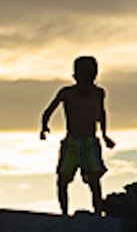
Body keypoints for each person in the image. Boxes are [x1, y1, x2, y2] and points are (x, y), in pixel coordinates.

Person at [41, 55, 115, 216]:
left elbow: (101, 113)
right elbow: (49, 110)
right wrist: (44, 126)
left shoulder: (98, 93)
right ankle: (64, 213)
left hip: (90, 142)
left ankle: (97, 213)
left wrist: (104, 135)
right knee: (63, 179)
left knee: (94, 180)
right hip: (72, 142)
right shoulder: (67, 93)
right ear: (75, 76)